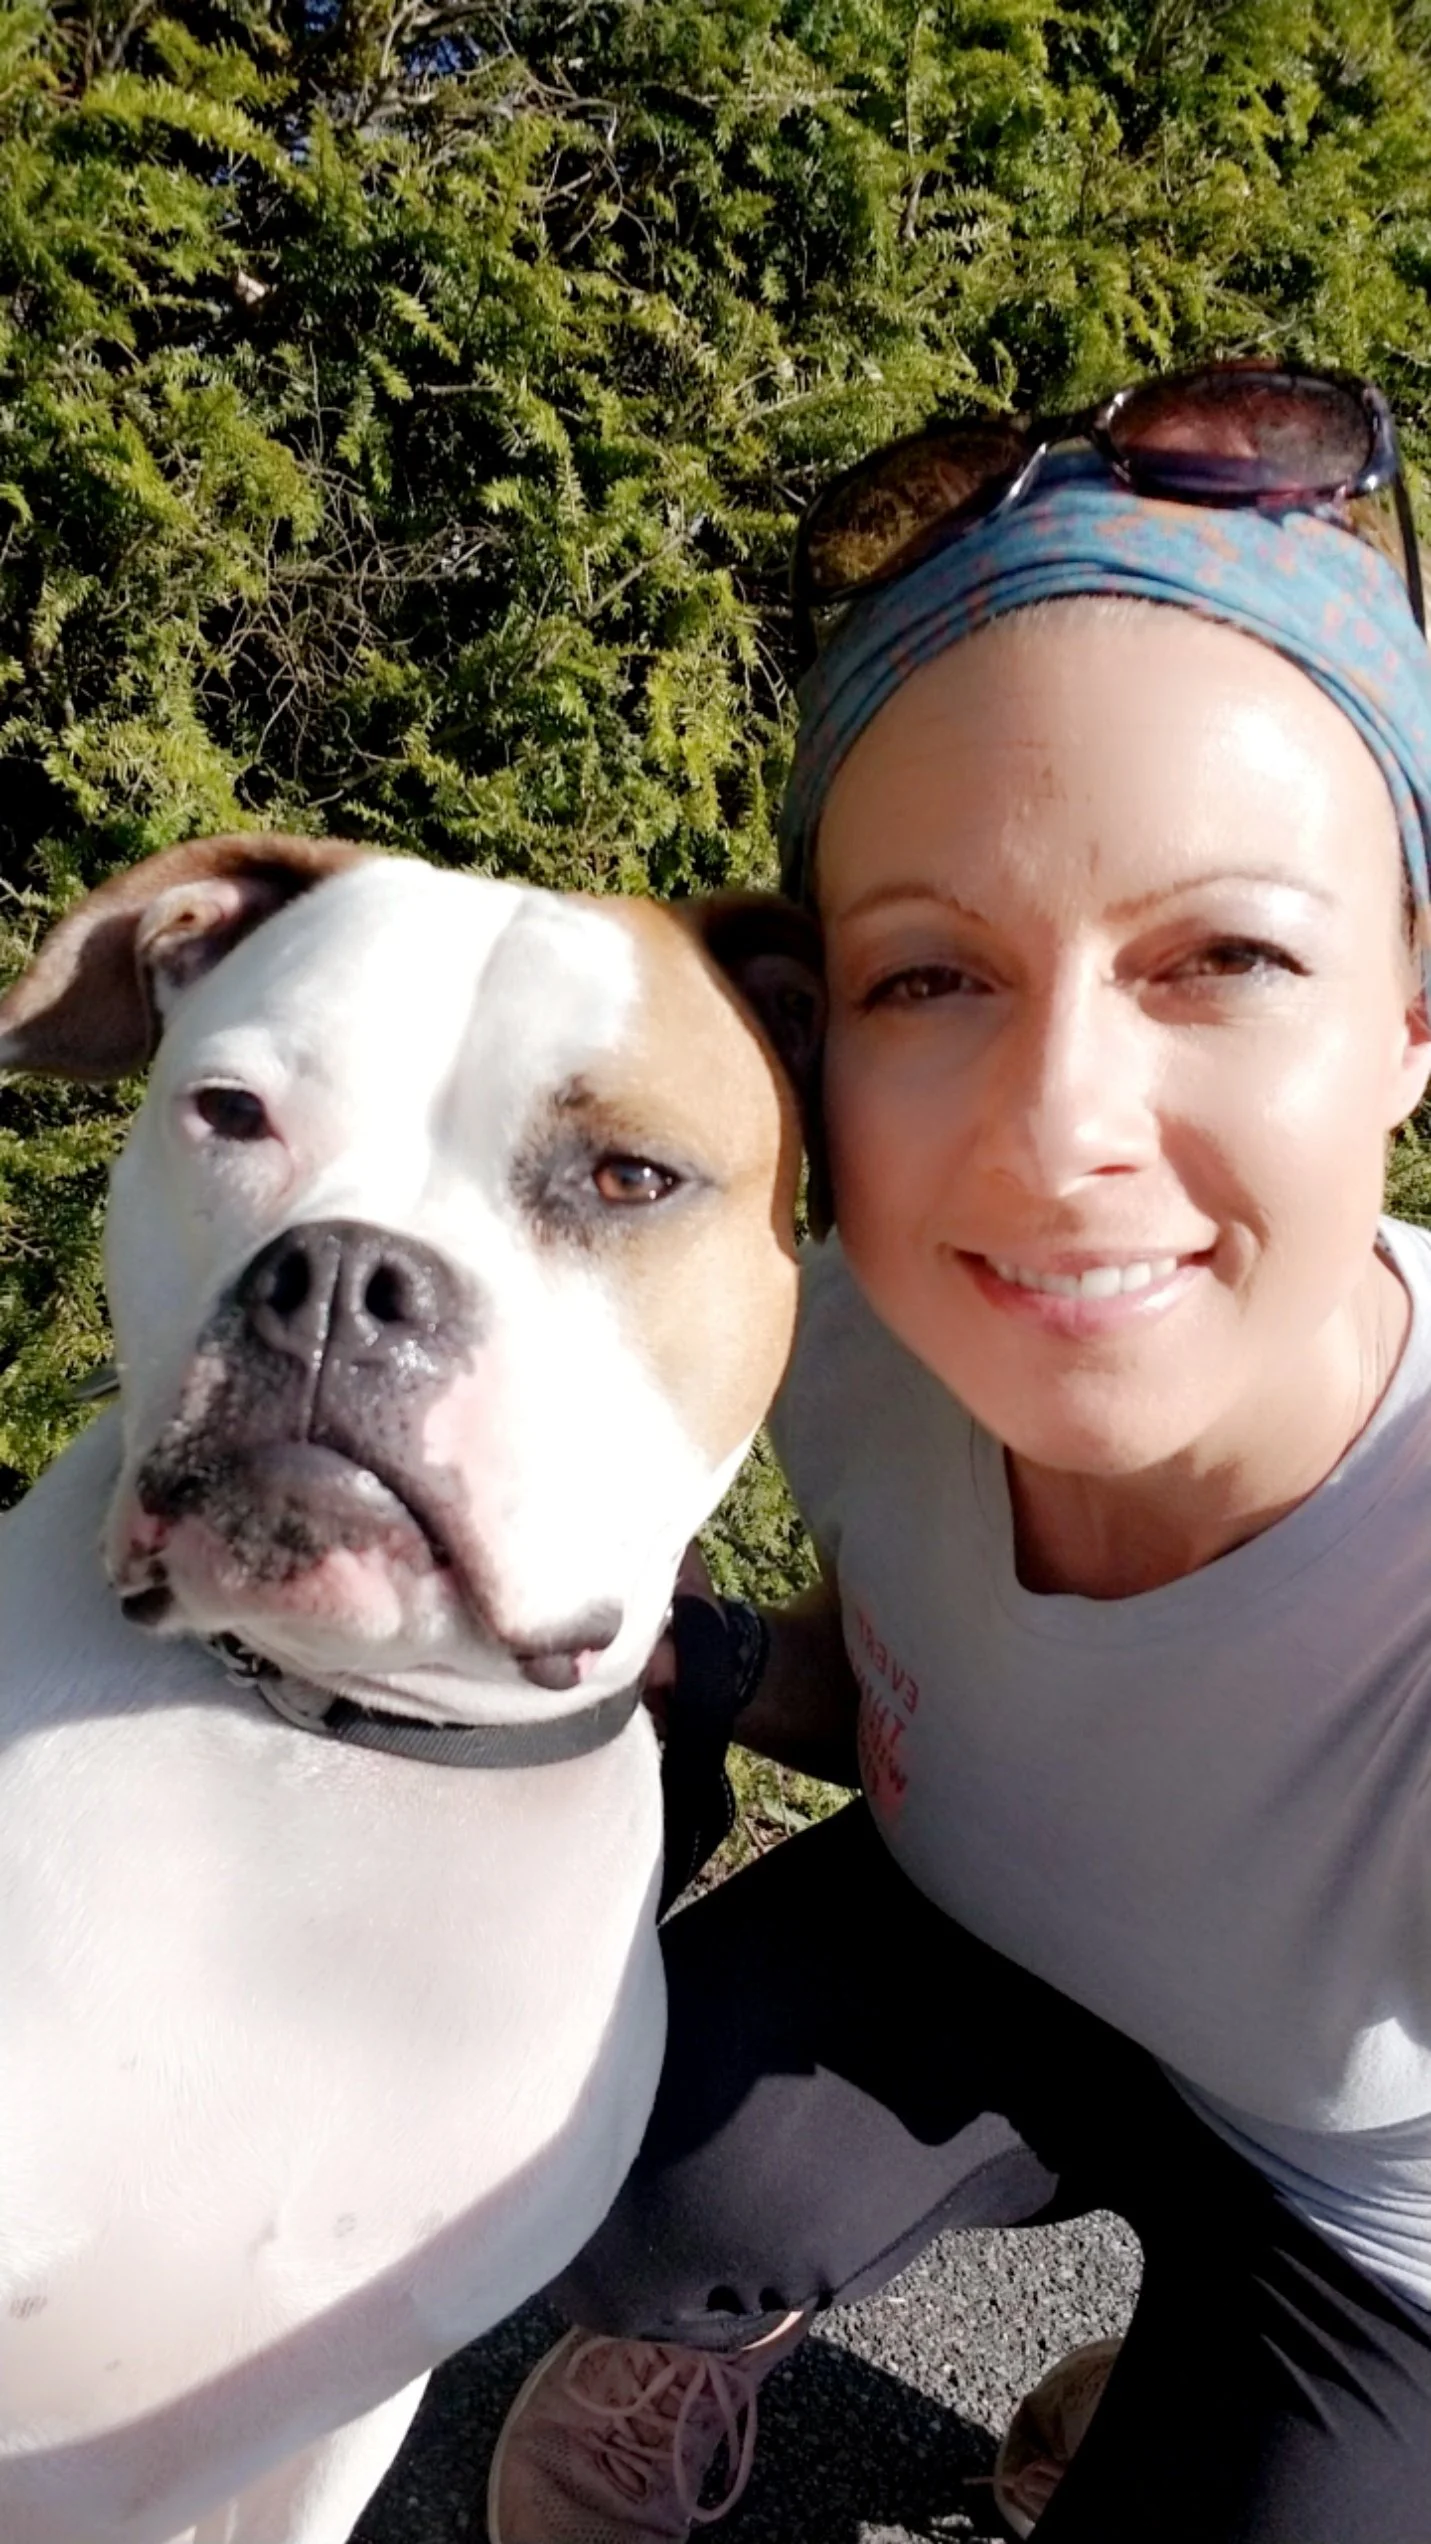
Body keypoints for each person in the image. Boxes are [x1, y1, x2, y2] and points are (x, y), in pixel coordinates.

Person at [485, 364, 1431, 2543]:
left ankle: (1168, 2390)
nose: (1054, 1129)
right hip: (1010, 1971)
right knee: (633, 2170)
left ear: (1404, 1021)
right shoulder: (852, 1340)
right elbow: (909, 1669)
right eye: (928, 980)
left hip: (1373, 2233)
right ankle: (697, 2334)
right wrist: (700, 1669)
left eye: (1225, 955)